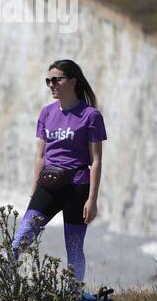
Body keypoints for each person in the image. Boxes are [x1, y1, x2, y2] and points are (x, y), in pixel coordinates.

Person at [9, 59, 106, 285]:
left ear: (72, 82)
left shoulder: (91, 116)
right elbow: (41, 155)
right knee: (20, 239)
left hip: (77, 187)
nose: (51, 84)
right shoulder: (46, 113)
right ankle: (4, 288)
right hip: (49, 185)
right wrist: (34, 189)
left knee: (74, 248)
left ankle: (74, 298)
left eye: (56, 80)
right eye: (48, 80)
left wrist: (92, 199)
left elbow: (97, 160)